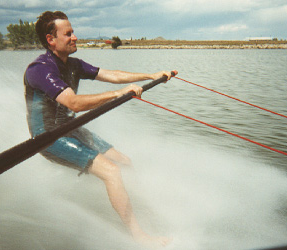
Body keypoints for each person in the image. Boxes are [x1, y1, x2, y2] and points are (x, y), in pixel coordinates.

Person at [24, 11, 176, 247]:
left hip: (71, 128)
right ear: (51, 39)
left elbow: (111, 75)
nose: (75, 37)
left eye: (73, 32)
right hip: (48, 138)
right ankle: (139, 236)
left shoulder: (73, 64)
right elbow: (73, 103)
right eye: (68, 33)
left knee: (125, 162)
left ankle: (143, 211)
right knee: (112, 171)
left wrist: (152, 75)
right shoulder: (40, 69)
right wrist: (118, 94)